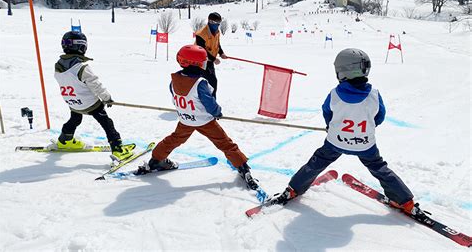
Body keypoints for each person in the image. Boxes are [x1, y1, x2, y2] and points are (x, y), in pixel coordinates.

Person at [270, 48, 426, 219]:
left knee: (316, 162)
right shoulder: (374, 95)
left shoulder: (335, 94)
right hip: (365, 144)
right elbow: (379, 117)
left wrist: (332, 126)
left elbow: (327, 113)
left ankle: (293, 190)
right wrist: (364, 127)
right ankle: (406, 202)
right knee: (379, 168)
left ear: (342, 71)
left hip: (336, 142)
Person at [137, 45, 259, 190]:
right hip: (204, 121)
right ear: (196, 64)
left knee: (173, 139)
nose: (204, 63)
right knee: (225, 143)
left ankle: (156, 160)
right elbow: (209, 103)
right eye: (203, 61)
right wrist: (217, 112)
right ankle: (243, 168)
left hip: (186, 120)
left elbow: (177, 96)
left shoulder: (174, 79)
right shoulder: (200, 83)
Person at [54, 31, 134, 161]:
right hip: (89, 103)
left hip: (73, 103)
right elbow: (96, 85)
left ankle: (64, 140)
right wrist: (107, 98)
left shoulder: (58, 67)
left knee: (75, 120)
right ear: (81, 47)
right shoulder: (82, 67)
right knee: (106, 122)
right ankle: (118, 148)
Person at [195, 12, 227, 98]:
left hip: (209, 61)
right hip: (199, 62)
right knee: (205, 82)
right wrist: (213, 59)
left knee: (212, 82)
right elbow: (201, 50)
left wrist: (221, 53)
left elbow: (217, 44)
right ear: (210, 21)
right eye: (215, 23)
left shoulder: (217, 32)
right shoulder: (201, 34)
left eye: (219, 23)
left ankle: (212, 102)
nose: (217, 25)